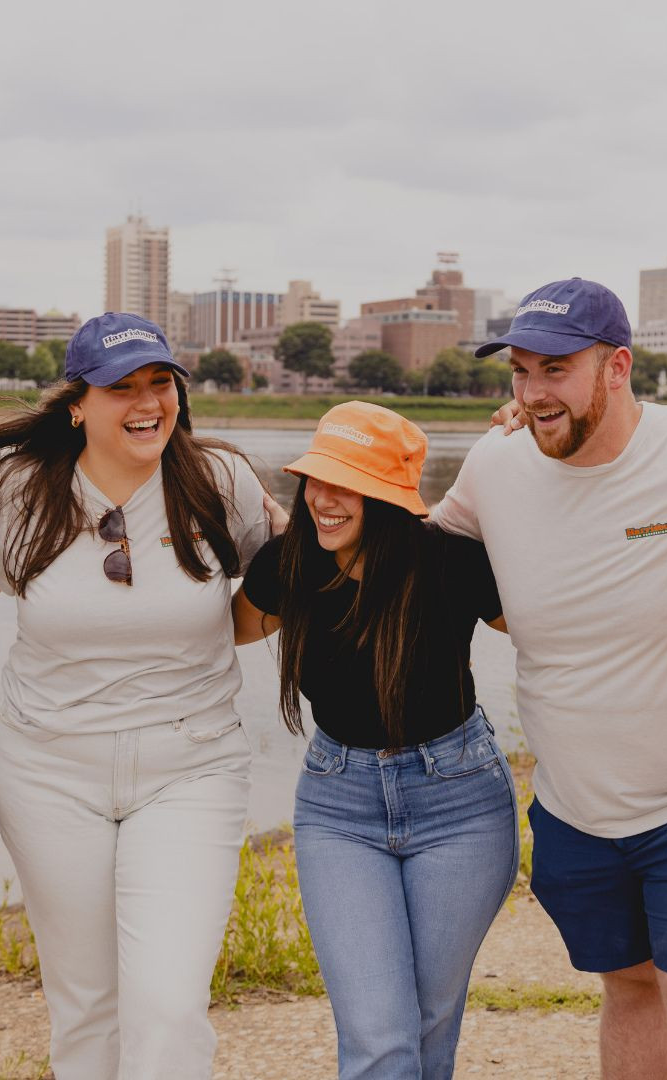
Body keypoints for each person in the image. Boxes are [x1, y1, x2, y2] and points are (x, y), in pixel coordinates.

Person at [432, 278, 667, 1080]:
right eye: (520, 372)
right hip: (575, 808)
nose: (531, 393)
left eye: (555, 370)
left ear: (617, 366)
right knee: (629, 991)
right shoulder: (495, 465)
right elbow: (417, 552)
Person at [0, 313, 269, 1080]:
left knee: (166, 1008)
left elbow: (278, 592)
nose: (146, 402)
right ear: (77, 403)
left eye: (160, 382)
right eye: (121, 387)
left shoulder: (220, 480)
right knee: (86, 1009)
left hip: (190, 768)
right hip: (46, 775)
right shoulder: (17, 489)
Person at [232, 401, 519, 1080]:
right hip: (340, 808)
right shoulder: (290, 562)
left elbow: (552, 625)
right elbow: (222, 629)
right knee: (378, 1035)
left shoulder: (451, 563)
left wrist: (526, 452)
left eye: (348, 484)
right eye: (316, 481)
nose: (325, 501)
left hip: (460, 805)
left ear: (387, 497)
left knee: (426, 1022)